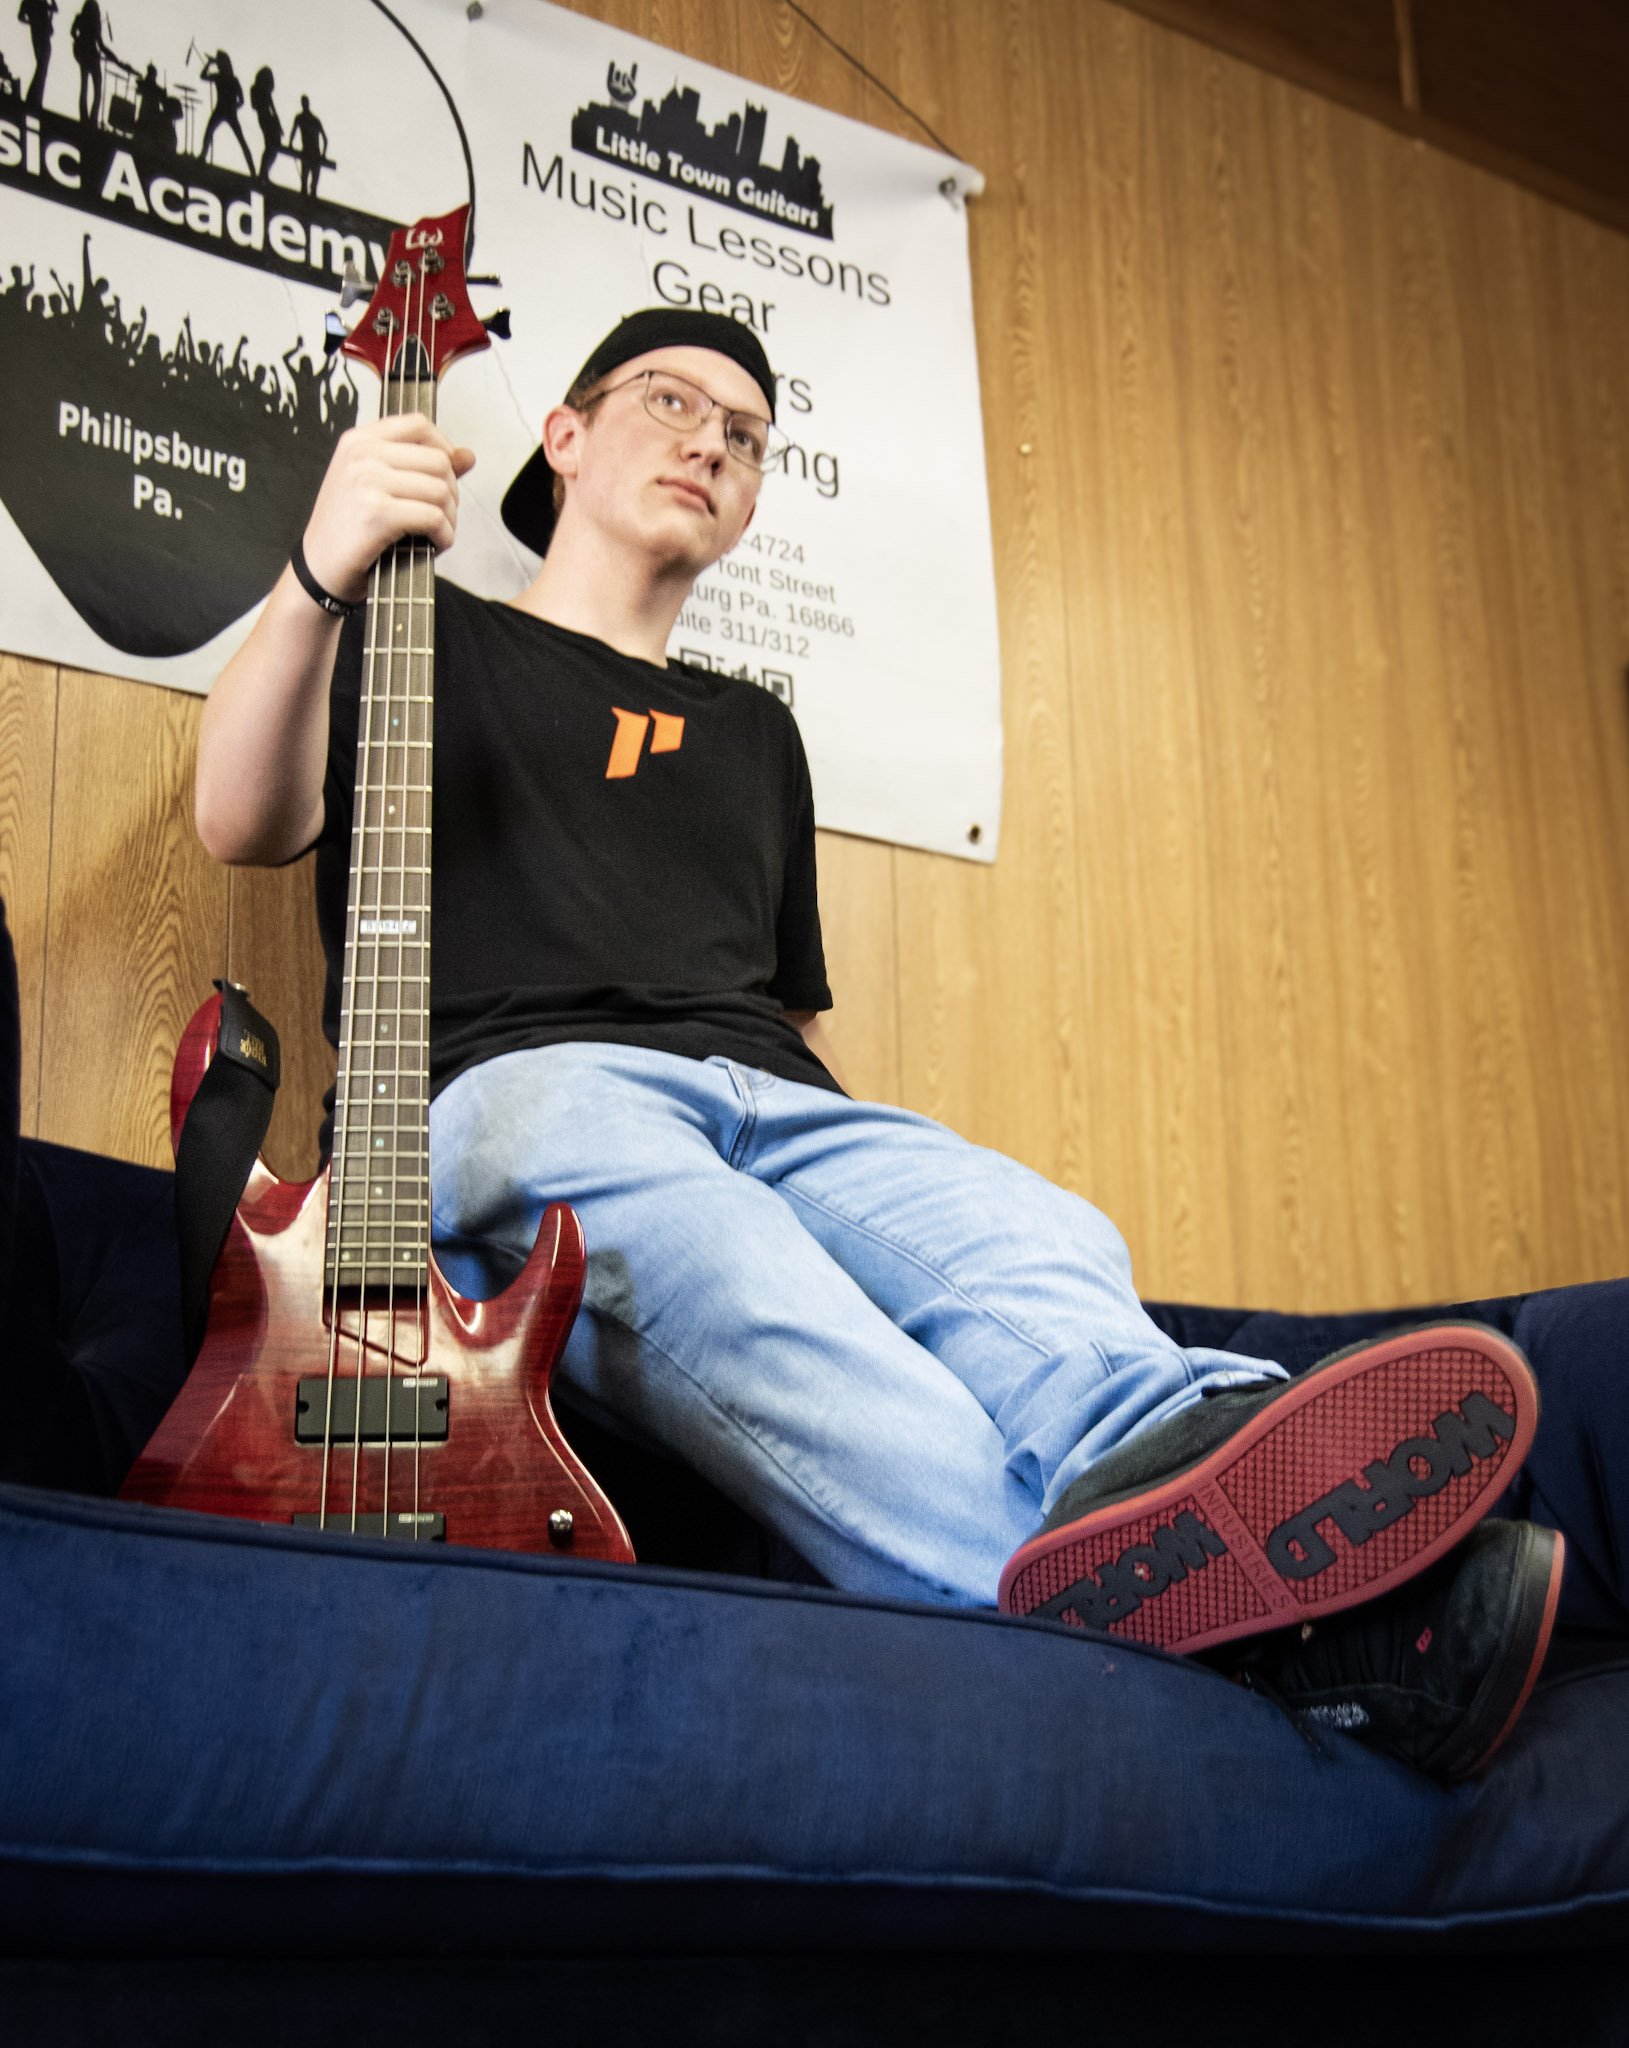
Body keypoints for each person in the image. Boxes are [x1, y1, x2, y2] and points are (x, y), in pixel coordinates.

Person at [196, 307, 1571, 1781]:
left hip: (762, 1096)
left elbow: (775, 1019)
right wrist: (316, 574)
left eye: (745, 439)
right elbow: (242, 818)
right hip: (515, 1098)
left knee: (1031, 1222)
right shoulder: (423, 629)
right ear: (567, 435)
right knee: (710, 1247)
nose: (710, 443)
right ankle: (1157, 1636)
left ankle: (1194, 1446)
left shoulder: (751, 730)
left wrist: (843, 1172)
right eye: (672, 403)